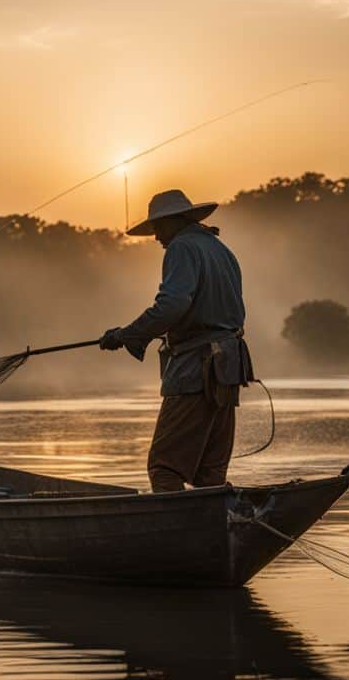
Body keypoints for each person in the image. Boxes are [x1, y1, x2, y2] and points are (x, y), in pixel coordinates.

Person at [100, 189, 253, 492]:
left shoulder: (182, 247)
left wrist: (127, 334)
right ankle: (209, 533)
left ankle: (179, 535)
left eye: (157, 228)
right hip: (226, 369)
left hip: (196, 368)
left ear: (174, 221)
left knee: (164, 467)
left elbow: (172, 305)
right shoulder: (219, 248)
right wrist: (136, 333)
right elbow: (206, 312)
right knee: (210, 474)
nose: (156, 237)